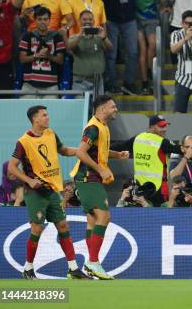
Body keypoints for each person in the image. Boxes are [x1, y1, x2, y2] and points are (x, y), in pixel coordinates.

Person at [7, 105, 90, 280]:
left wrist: (80, 152)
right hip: (35, 193)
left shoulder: (50, 133)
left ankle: (73, 268)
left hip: (53, 190)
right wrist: (29, 180)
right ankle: (28, 268)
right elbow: (11, 167)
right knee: (37, 228)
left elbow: (63, 150)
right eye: (44, 115)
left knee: (63, 226)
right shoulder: (23, 141)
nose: (48, 118)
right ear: (35, 119)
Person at [70, 95, 130, 279]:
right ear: (102, 109)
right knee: (104, 217)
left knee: (93, 221)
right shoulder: (94, 128)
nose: (116, 109)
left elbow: (99, 151)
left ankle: (87, 265)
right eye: (113, 107)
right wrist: (100, 170)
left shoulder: (102, 126)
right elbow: (81, 152)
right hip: (88, 178)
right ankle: (93, 262)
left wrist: (117, 155)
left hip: (90, 179)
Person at [112, 115, 183, 206]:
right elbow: (180, 149)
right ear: (151, 127)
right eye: (161, 126)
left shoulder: (138, 138)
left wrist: (101, 148)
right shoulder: (163, 142)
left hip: (140, 187)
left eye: (165, 126)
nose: (164, 129)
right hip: (158, 189)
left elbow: (121, 145)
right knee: (158, 217)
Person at [99, 0, 141, 94]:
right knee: (110, 54)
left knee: (133, 52)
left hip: (129, 18)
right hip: (111, 18)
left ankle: (129, 82)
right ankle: (111, 82)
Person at [135, 0, 166, 95]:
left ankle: (149, 69)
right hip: (137, 14)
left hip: (152, 14)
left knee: (152, 45)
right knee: (142, 48)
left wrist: (166, 4)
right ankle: (145, 82)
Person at [18, 6, 65, 99]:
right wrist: (37, 55)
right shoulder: (27, 37)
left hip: (51, 86)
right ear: (35, 20)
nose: (43, 22)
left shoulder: (57, 37)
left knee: (50, 112)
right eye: (39, 19)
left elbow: (60, 60)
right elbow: (22, 59)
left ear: (49, 20)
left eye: (45, 19)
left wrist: (48, 55)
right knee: (23, 111)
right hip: (29, 86)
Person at [66, 9, 111, 98]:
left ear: (94, 21)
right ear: (79, 21)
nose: (88, 22)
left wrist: (104, 37)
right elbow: (69, 47)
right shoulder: (74, 37)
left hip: (97, 81)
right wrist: (79, 36)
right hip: (80, 82)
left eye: (90, 20)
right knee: (80, 109)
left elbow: (110, 48)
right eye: (84, 19)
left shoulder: (99, 37)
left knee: (97, 109)